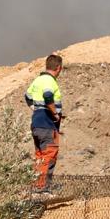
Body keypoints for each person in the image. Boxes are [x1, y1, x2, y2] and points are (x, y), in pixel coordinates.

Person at [26, 54, 64, 193]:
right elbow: (48, 96)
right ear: (59, 68)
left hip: (36, 123)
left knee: (40, 156)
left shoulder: (37, 80)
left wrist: (34, 109)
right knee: (49, 155)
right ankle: (42, 190)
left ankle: (37, 187)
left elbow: (27, 96)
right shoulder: (49, 81)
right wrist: (54, 113)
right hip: (47, 124)